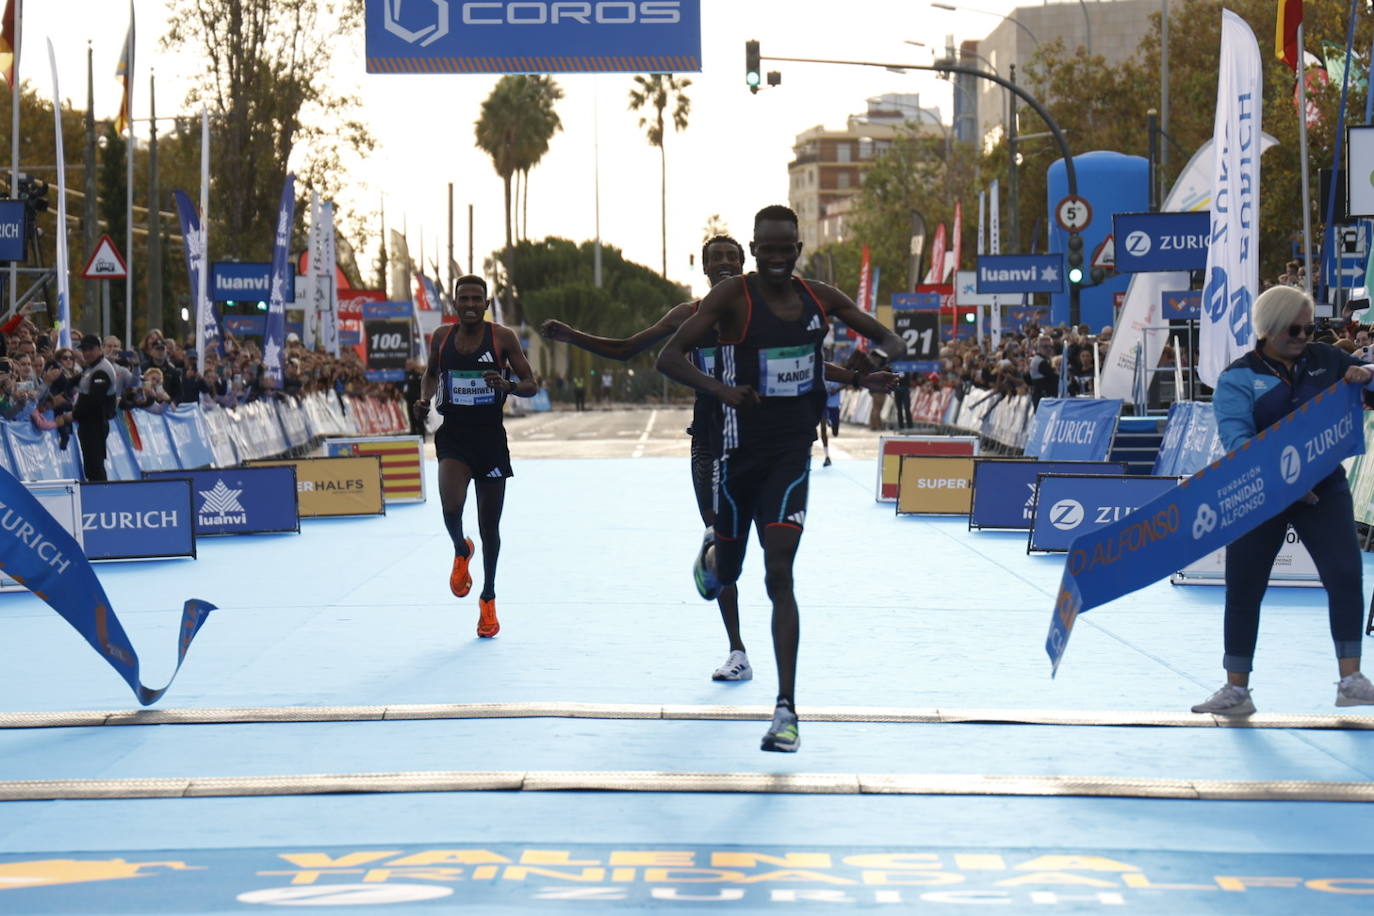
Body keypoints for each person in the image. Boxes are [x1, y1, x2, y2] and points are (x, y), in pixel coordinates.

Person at [657, 205, 906, 752]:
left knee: (779, 576)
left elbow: (893, 342)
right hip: (733, 455)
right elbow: (668, 358)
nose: (774, 258)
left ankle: (786, 710)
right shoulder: (731, 298)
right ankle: (712, 562)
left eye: (784, 249)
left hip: (790, 459)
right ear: (755, 247)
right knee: (729, 571)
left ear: (797, 249)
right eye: (765, 248)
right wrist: (724, 392)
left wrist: (869, 364)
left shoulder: (819, 298)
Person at [543, 236, 758, 679]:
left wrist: (855, 376)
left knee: (765, 546)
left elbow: (803, 360)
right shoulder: (689, 315)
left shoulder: (761, 316)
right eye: (714, 258)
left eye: (730, 258)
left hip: (755, 441)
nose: (722, 264)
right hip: (709, 444)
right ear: (703, 269)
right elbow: (626, 349)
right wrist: (572, 336)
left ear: (742, 265)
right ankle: (737, 651)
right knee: (722, 548)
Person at [1194, 285, 1374, 715]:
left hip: (1324, 488)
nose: (1303, 335)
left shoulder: (1327, 359)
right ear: (1269, 327)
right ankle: (1236, 690)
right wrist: (1283, 483)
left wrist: (1368, 373)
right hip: (1260, 492)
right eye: (1294, 328)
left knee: (1347, 575)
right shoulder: (1237, 377)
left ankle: (1351, 680)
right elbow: (1239, 443)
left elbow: (1370, 369)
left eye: (1309, 328)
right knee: (1244, 587)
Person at [415, 275, 536, 638]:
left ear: (485, 304)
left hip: (489, 441)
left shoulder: (502, 338)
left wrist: (508, 385)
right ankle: (460, 549)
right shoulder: (441, 338)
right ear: (454, 304)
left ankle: (488, 598)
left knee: (490, 528)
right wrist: (424, 400)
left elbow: (531, 384)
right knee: (451, 508)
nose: (469, 305)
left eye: (475, 299)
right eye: (462, 299)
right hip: (453, 436)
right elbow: (431, 375)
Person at [73, 334, 117, 482]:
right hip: (90, 423)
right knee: (92, 466)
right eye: (84, 349)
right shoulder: (92, 368)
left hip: (95, 423)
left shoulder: (101, 370)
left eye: (90, 349)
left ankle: (101, 498)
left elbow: (94, 401)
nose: (87, 353)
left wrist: (72, 415)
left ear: (99, 349)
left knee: (94, 467)